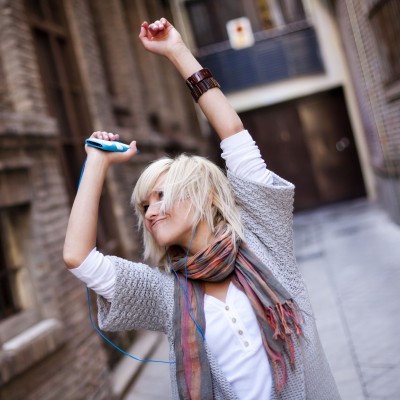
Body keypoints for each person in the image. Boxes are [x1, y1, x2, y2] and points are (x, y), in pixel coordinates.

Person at [63, 18, 341, 400]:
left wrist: (178, 51)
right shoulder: (164, 292)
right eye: (145, 204)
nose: (151, 212)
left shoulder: (264, 242)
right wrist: (96, 161)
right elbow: (78, 258)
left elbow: (234, 136)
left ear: (204, 197)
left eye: (161, 196)